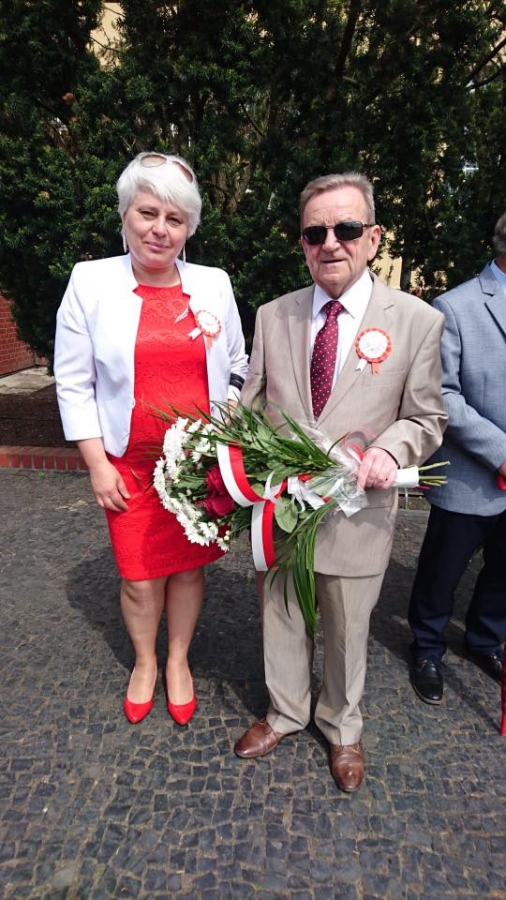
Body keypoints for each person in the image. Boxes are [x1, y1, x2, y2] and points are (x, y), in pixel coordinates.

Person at [234, 172, 447, 793]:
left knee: (349, 629)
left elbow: (427, 417)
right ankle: (285, 711)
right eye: (315, 232)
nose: (331, 243)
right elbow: (251, 407)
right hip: (282, 510)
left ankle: (342, 726)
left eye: (346, 228)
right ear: (302, 242)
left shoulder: (417, 320)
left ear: (373, 238)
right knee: (281, 616)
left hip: (358, 513)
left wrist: (388, 449)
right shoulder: (272, 315)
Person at [54, 151, 248, 726]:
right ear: (125, 214)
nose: (160, 229)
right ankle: (145, 661)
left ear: (189, 228)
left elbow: (238, 364)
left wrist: (223, 430)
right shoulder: (90, 282)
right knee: (139, 578)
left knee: (188, 569)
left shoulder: (214, 284)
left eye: (175, 218)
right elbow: (73, 381)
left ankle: (178, 660)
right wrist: (96, 463)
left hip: (195, 466)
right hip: (129, 465)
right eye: (148, 213)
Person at [408, 211, 506, 705]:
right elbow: (442, 395)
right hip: (471, 473)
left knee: (503, 572)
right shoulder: (456, 305)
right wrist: (502, 453)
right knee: (441, 572)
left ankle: (485, 638)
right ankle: (427, 647)